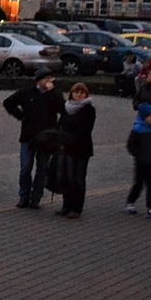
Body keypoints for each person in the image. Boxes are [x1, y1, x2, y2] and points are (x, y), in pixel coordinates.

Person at [3, 70, 65, 208]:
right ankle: (23, 196)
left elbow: (63, 109)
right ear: (39, 80)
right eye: (46, 78)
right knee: (25, 167)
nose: (49, 81)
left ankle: (36, 198)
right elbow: (8, 102)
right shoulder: (27, 92)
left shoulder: (54, 94)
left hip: (47, 138)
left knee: (42, 169)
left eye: (51, 78)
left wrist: (57, 128)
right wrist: (20, 115)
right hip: (28, 136)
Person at [56, 83, 96, 219]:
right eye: (76, 92)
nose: (79, 95)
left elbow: (85, 130)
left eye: (82, 92)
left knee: (78, 179)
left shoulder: (88, 109)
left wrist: (69, 141)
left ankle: (76, 208)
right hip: (66, 149)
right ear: (71, 94)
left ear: (86, 95)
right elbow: (60, 125)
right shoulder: (66, 108)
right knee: (67, 177)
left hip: (81, 149)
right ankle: (66, 206)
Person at [126, 102, 151, 220]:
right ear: (143, 116)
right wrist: (138, 156)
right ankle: (131, 201)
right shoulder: (138, 129)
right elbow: (131, 145)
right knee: (138, 184)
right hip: (141, 162)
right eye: (149, 115)